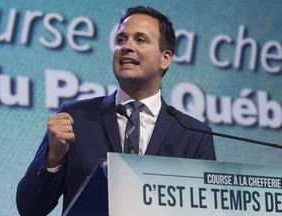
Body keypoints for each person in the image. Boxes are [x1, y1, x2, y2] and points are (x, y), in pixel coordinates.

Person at [16, 5, 216, 215]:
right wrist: (53, 156)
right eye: (121, 39)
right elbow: (30, 209)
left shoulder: (193, 136)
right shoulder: (76, 119)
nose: (126, 46)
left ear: (165, 58)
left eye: (140, 40)